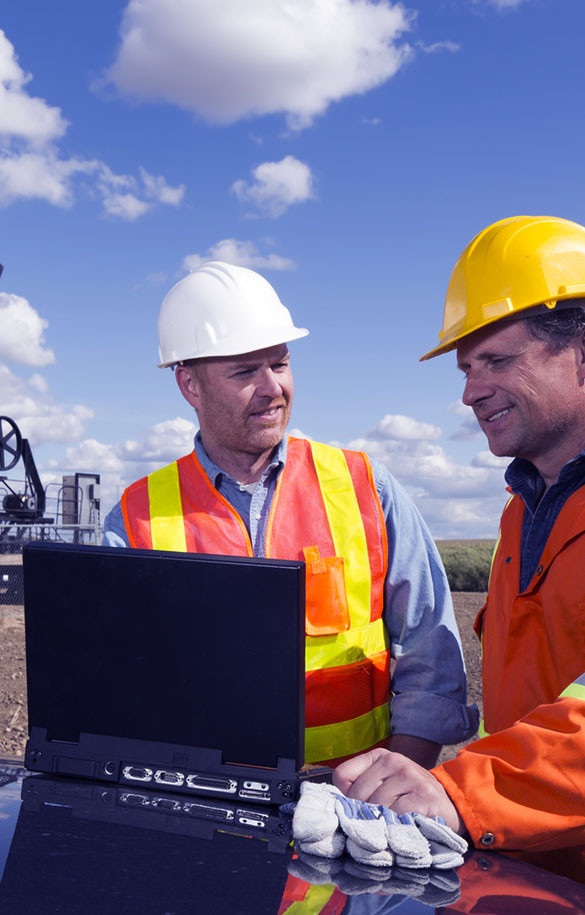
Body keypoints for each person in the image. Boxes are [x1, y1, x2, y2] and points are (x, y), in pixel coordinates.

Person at [103, 260, 477, 769]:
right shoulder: (133, 519)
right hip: (201, 811)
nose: (272, 388)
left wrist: (396, 784)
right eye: (244, 372)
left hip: (353, 812)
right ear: (189, 386)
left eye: (279, 365)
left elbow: (429, 651)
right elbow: (114, 683)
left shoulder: (367, 486)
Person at [333, 215, 585, 882]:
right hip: (528, 877)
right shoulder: (519, 514)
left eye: (497, 360)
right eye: (466, 367)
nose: (470, 391)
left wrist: (461, 790)